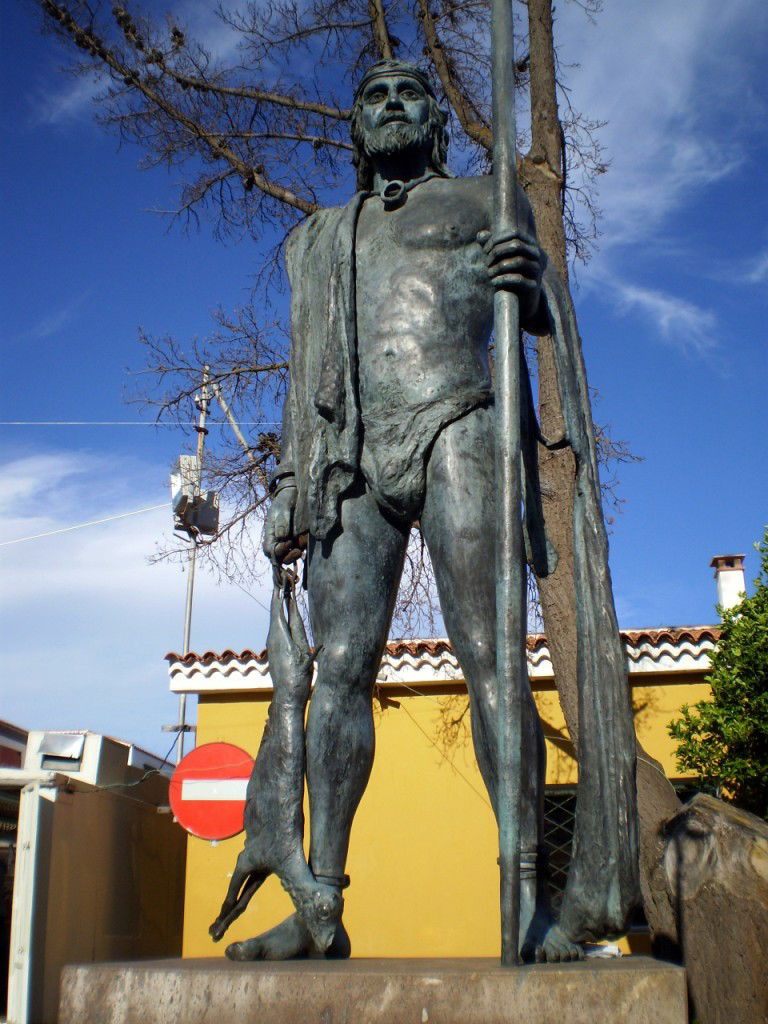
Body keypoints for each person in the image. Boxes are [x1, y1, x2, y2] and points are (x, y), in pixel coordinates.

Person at [228, 59, 638, 963]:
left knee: (491, 658)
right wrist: (292, 482)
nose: (392, 106)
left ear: (435, 117)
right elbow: (307, 376)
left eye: (409, 92)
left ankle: (527, 898)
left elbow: (539, 314)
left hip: (462, 423)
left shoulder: (484, 196)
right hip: (353, 454)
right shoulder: (322, 237)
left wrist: (530, 280)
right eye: (373, 97)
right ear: (354, 126)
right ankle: (321, 906)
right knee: (338, 675)